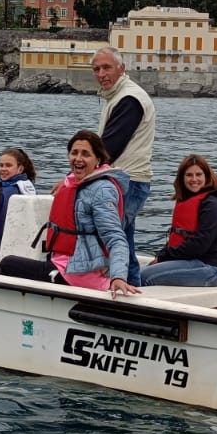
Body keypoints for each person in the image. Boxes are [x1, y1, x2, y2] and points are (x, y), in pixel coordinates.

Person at [0, 130, 137, 297]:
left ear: (98, 159)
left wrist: (118, 276)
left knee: (7, 265)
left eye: (85, 154)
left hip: (77, 275)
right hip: (66, 264)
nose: (78, 158)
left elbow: (115, 237)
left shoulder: (102, 191)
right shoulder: (74, 183)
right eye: (74, 153)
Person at [92, 46, 156, 287]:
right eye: (96, 69)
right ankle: (132, 288)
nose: (101, 74)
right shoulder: (120, 96)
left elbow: (109, 147)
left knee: (110, 237)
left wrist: (77, 178)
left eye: (107, 67)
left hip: (126, 181)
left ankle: (118, 287)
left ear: (121, 68)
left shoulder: (129, 99)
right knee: (124, 238)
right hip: (128, 180)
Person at [140, 155, 217, 287]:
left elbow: (199, 245)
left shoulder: (214, 205)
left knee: (143, 277)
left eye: (198, 174)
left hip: (210, 269)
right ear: (182, 178)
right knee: (135, 273)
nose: (194, 179)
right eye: (189, 175)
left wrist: (163, 257)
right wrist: (162, 256)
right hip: (192, 262)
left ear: (207, 176)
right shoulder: (193, 201)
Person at [0, 147, 38, 257]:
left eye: (8, 165)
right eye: (1, 165)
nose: (3, 169)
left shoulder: (7, 193)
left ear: (20, 169)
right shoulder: (27, 186)